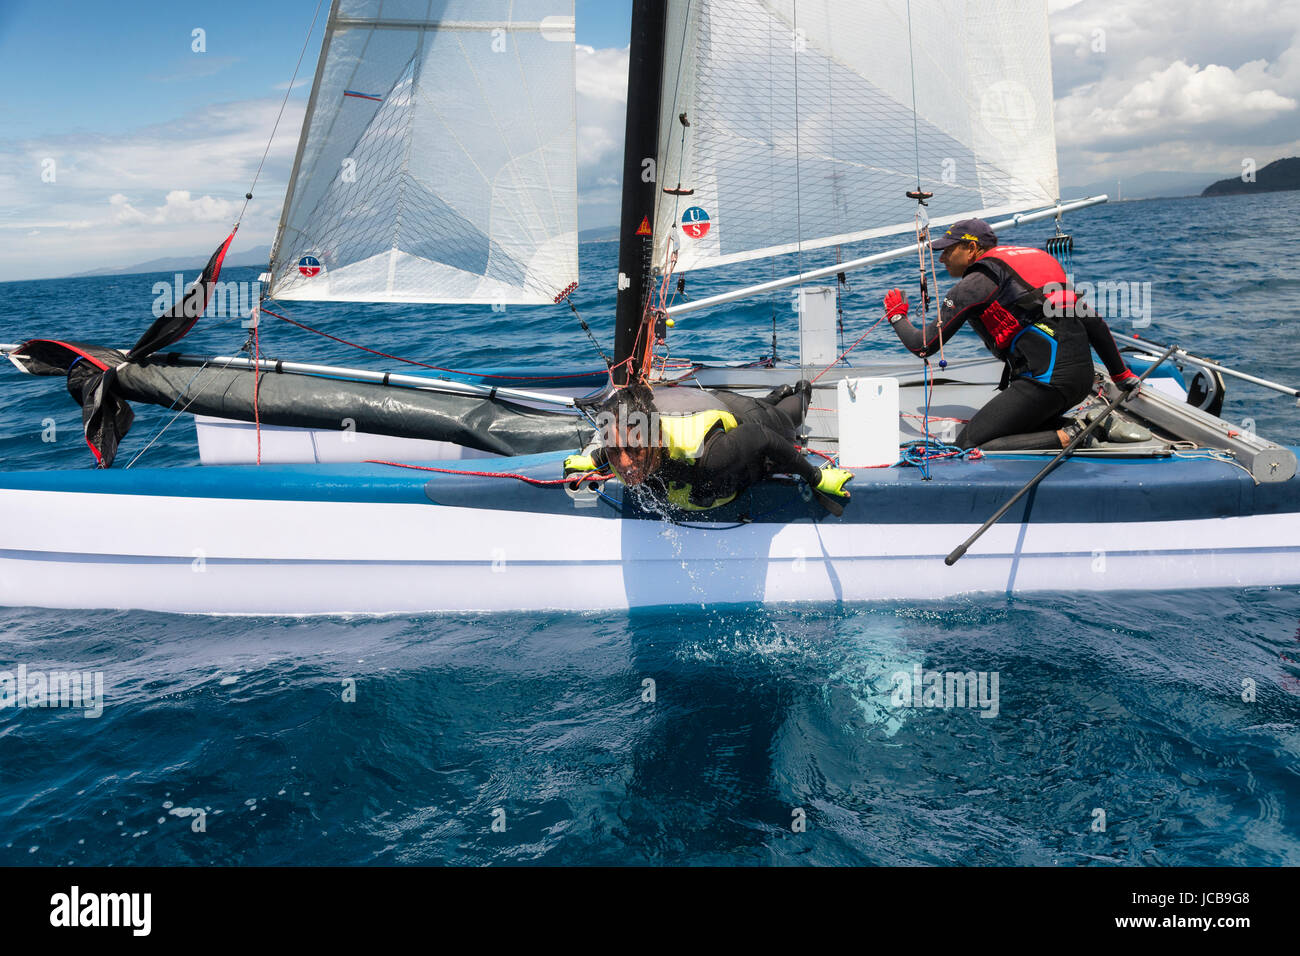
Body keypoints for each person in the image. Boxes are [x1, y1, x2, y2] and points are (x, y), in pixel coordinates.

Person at [882, 219, 1142, 451]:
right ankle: (1093, 422)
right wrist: (1120, 375)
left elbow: (924, 346)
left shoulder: (973, 285)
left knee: (969, 444)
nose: (942, 259)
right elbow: (1092, 320)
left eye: (949, 250)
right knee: (1012, 427)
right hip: (1080, 380)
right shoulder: (1026, 267)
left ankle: (1079, 433)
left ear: (972, 249)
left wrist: (897, 316)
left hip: (1046, 383)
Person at [565, 380, 854, 511]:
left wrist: (816, 477)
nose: (625, 464)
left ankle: (799, 392)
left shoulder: (709, 456)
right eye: (615, 453)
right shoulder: (626, 441)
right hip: (709, 404)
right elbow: (615, 445)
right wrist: (592, 460)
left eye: (634, 451)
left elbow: (761, 437)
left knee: (789, 420)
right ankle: (773, 395)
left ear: (656, 440)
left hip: (749, 419)